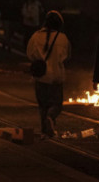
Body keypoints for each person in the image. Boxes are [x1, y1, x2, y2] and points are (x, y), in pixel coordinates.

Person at [26, 11, 71, 139]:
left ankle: (45, 130)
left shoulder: (35, 36)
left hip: (41, 76)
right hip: (56, 76)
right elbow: (68, 56)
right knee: (56, 104)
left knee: (43, 105)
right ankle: (50, 118)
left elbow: (30, 54)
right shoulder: (63, 38)